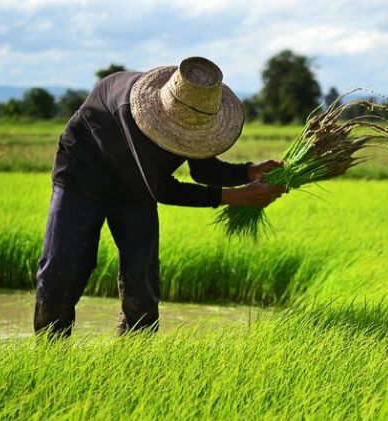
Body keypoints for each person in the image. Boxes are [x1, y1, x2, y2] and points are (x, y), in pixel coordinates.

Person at [34, 56, 285, 337]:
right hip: (83, 180)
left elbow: (203, 170)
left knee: (142, 280)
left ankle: (136, 356)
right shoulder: (131, 110)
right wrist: (238, 198)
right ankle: (51, 349)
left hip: (136, 191)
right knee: (62, 270)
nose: (187, 133)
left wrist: (248, 173)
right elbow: (162, 189)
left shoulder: (196, 111)